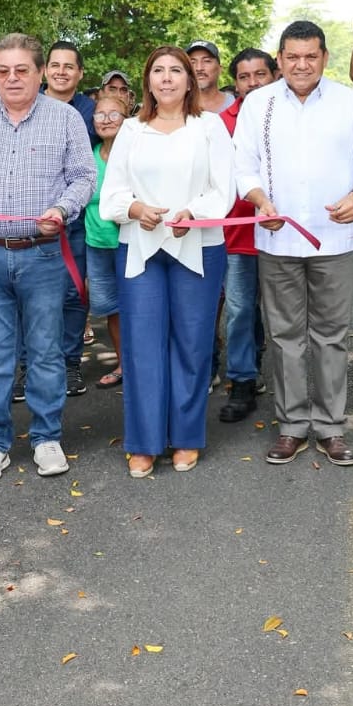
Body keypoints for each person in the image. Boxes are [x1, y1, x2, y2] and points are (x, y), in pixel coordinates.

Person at [234, 19, 353, 466]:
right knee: (284, 337)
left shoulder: (347, 101)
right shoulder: (257, 104)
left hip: (335, 239)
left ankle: (331, 427)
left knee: (331, 336)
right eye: (292, 57)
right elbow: (242, 166)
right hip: (276, 239)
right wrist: (259, 199)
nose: (302, 65)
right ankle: (291, 425)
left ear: (324, 58)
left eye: (311, 56)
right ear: (279, 59)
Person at [0, 33, 94, 483]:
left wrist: (62, 210)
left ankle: (47, 438)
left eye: (21, 70)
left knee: (46, 354)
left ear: (40, 72)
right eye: (3, 71)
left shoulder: (66, 119)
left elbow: (84, 177)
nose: (12, 78)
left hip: (44, 254)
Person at [100, 47, 235, 477]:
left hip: (197, 246)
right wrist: (136, 209)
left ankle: (186, 437)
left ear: (190, 80)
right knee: (142, 345)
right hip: (140, 247)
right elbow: (113, 194)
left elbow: (223, 188)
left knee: (192, 342)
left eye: (176, 70)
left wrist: (192, 213)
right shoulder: (132, 131)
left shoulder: (209, 127)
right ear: (148, 81)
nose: (167, 78)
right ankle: (144, 441)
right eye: (158, 71)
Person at [216, 48, 276, 421]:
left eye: (260, 75)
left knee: (283, 314)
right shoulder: (220, 122)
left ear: (275, 75)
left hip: (287, 233)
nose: (252, 83)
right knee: (238, 309)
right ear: (234, 82)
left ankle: (294, 384)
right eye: (244, 76)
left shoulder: (291, 114)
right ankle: (242, 380)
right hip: (238, 233)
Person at [35, 40, 96, 399]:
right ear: (44, 71)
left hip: (76, 219)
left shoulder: (90, 111)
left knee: (74, 293)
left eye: (68, 66)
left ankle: (71, 363)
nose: (61, 72)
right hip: (32, 221)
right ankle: (30, 368)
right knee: (33, 297)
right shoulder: (28, 105)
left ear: (79, 73)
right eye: (54, 65)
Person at [85, 90, 130, 389]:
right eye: (100, 115)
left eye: (114, 114)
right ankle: (123, 363)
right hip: (96, 244)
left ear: (127, 119)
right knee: (111, 308)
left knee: (139, 305)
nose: (106, 120)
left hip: (130, 242)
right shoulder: (88, 157)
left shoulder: (135, 154)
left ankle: (146, 364)